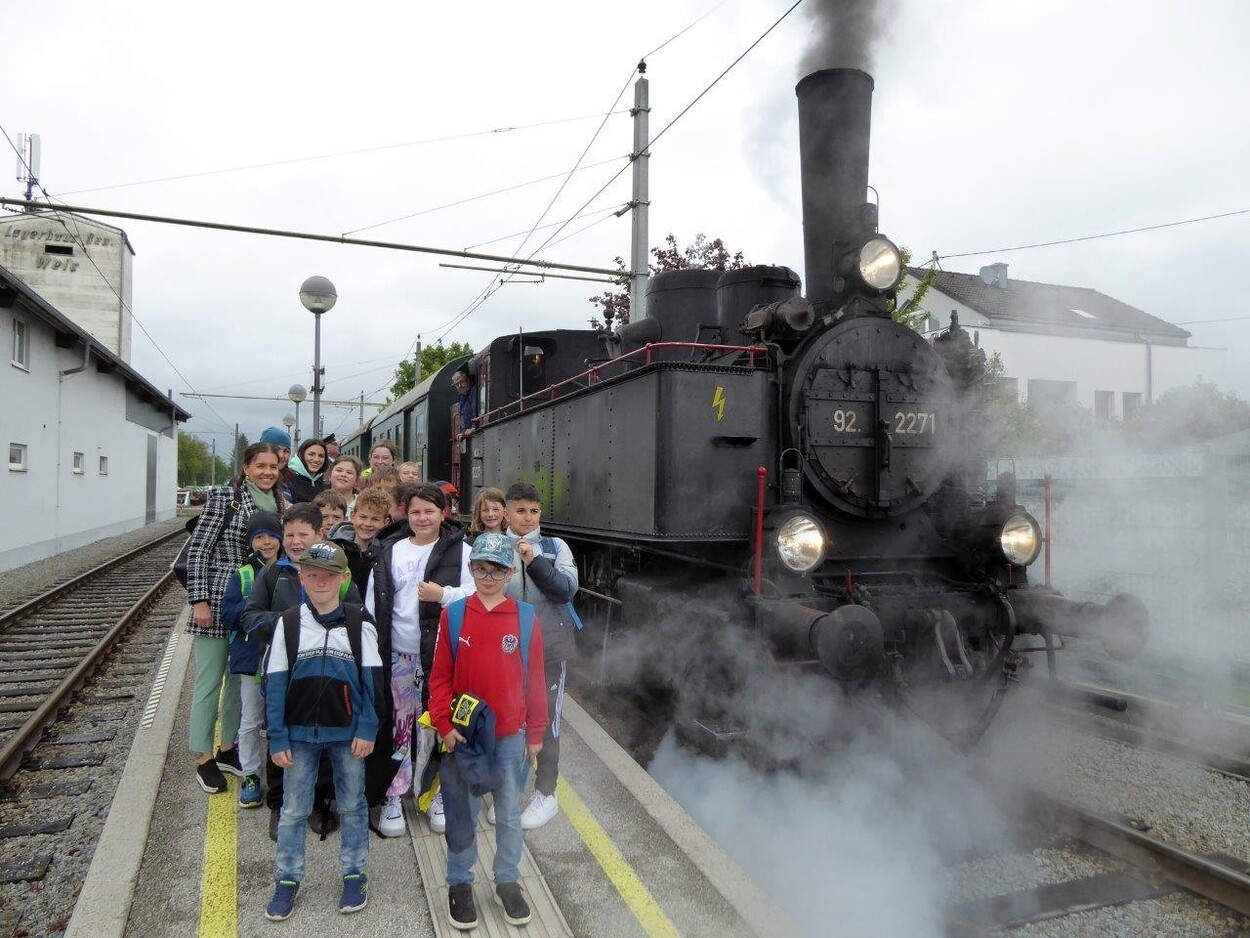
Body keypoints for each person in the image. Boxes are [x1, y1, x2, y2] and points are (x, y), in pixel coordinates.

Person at [428, 532, 547, 930]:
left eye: (496, 569)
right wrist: (443, 724)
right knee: (462, 812)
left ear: (510, 572)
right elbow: (440, 677)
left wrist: (535, 732)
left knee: (509, 813)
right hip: (464, 736)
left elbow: (535, 679)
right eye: (480, 567)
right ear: (470, 569)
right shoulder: (455, 615)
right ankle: (460, 882)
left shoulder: (526, 618)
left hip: (510, 736)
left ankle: (507, 880)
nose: (488, 575)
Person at [264, 541, 382, 921]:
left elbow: (372, 683)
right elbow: (275, 682)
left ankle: (354, 872)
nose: (320, 581)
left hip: (348, 734)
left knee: (352, 805)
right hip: (298, 735)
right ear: (301, 576)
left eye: (329, 575)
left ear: (344, 579)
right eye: (312, 574)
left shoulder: (360, 622)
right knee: (294, 809)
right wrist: (278, 735)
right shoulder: (289, 622)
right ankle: (287, 878)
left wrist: (367, 727)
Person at [241, 503, 364, 839]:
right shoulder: (272, 574)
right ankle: (280, 802)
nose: (295, 541)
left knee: (323, 730)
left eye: (303, 534)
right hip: (283, 671)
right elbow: (250, 617)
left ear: (319, 534)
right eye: (289, 534)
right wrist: (291, 624)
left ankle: (319, 800)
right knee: (281, 731)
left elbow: (356, 614)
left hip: (327, 670)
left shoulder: (339, 572)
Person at [364, 483, 471, 837]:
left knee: (438, 723)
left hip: (442, 656)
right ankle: (395, 794)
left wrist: (445, 595)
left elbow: (477, 598)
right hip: (398, 652)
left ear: (444, 513)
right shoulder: (390, 552)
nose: (422, 518)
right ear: (404, 515)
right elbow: (372, 604)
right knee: (399, 725)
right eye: (415, 512)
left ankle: (436, 792)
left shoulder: (463, 553)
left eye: (429, 511)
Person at [185, 441, 286, 794]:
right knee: (210, 681)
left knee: (238, 683)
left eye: (273, 466)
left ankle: (227, 749)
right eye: (260, 465)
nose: (267, 472)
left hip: (255, 608)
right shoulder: (224, 499)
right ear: (246, 468)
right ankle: (202, 758)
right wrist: (198, 600)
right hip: (217, 603)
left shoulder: (279, 503)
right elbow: (199, 550)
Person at [502, 481, 579, 829]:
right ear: (506, 513)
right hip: (505, 650)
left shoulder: (554, 546)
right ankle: (511, 790)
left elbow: (565, 590)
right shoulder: (493, 546)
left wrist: (533, 561)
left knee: (547, 723)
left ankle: (547, 793)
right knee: (510, 721)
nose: (528, 518)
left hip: (549, 649)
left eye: (534, 511)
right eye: (520, 511)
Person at [218, 510, 284, 809]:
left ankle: (281, 770)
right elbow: (229, 616)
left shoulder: (290, 571)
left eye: (272, 536)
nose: (266, 542)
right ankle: (251, 774)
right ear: (250, 541)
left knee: (279, 718)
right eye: (259, 537)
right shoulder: (243, 574)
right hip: (251, 658)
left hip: (282, 656)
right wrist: (254, 602)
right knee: (250, 719)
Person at [452, 367, 477, 494]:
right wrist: (462, 430)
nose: (460, 386)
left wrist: (473, 427)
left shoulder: (474, 391)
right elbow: (462, 415)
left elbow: (475, 410)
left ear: (468, 381)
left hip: (474, 431)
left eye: (462, 382)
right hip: (466, 432)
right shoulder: (461, 397)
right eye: (457, 384)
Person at [284, 438, 328, 505]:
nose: (316, 459)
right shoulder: (288, 479)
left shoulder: (325, 484)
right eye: (311, 454)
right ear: (301, 455)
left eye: (321, 456)